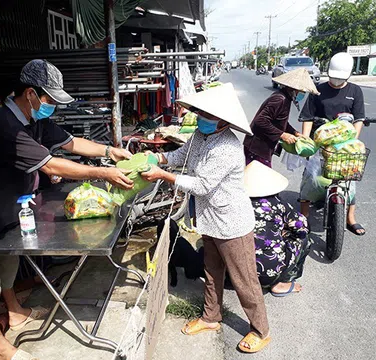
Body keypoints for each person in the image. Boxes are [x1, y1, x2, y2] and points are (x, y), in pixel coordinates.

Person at [0, 59, 133, 360]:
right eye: (49, 99)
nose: (52, 107)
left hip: (4, 213)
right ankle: (1, 345)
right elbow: (52, 164)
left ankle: (16, 311)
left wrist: (108, 151)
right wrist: (103, 172)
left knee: (6, 269)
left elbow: (71, 143)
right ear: (31, 94)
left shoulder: (35, 121)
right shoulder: (4, 126)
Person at [142, 83, 271, 353]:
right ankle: (211, 317)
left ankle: (261, 330)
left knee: (243, 279)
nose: (201, 118)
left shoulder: (226, 147)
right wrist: (157, 157)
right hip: (209, 218)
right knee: (211, 271)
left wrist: (164, 175)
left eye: (207, 115)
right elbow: (180, 155)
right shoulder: (200, 135)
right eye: (200, 113)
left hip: (232, 222)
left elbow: (202, 185)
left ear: (223, 120)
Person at [298, 52, 366, 235]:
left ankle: (351, 217)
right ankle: (304, 216)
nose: (336, 81)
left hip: (344, 143)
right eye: (333, 77)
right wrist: (306, 141)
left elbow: (359, 119)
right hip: (321, 141)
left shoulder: (355, 91)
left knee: (350, 179)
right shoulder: (318, 90)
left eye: (340, 78)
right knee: (310, 177)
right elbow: (308, 117)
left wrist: (353, 141)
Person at [244, 161, 311, 296]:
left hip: (235, 269)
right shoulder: (277, 203)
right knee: (303, 240)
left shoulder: (234, 202)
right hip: (266, 272)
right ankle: (279, 283)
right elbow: (302, 227)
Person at [243, 68, 320, 168]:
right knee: (258, 180)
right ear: (294, 89)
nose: (303, 94)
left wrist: (295, 133)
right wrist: (282, 135)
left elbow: (281, 121)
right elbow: (260, 121)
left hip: (264, 147)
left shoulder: (286, 99)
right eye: (301, 91)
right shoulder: (280, 99)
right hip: (257, 147)